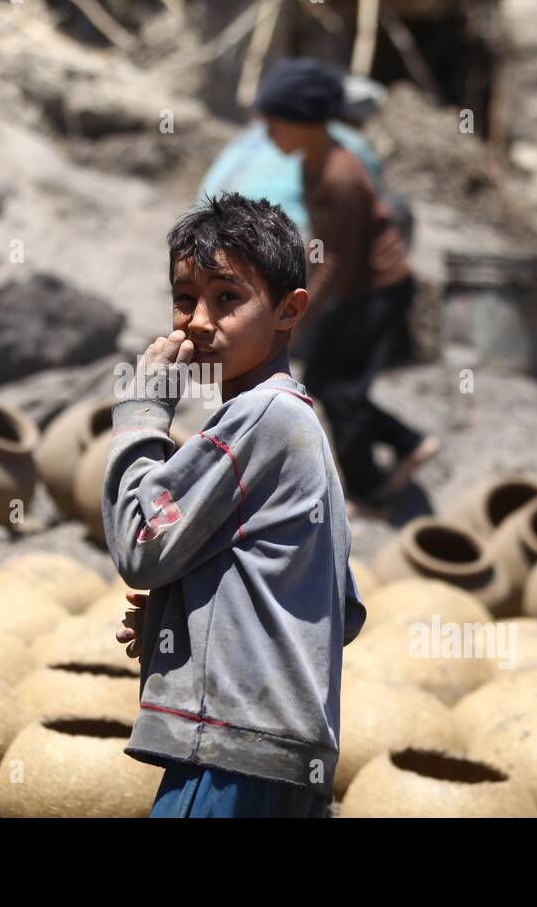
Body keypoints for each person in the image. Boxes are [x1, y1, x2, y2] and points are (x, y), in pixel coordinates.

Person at [104, 192, 367, 817]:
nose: (197, 321)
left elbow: (141, 547)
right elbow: (342, 610)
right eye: (184, 298)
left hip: (229, 758)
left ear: (287, 310)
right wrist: (190, 616)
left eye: (227, 298)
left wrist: (142, 413)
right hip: (278, 760)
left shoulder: (261, 417)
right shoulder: (298, 423)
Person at [256, 57, 438, 511]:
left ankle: (369, 488)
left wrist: (300, 315)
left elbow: (339, 260)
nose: (269, 135)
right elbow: (323, 245)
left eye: (275, 124)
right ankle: (408, 441)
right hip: (357, 289)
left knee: (341, 390)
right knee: (326, 382)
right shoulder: (312, 165)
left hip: (378, 291)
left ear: (304, 122)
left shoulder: (341, 174)